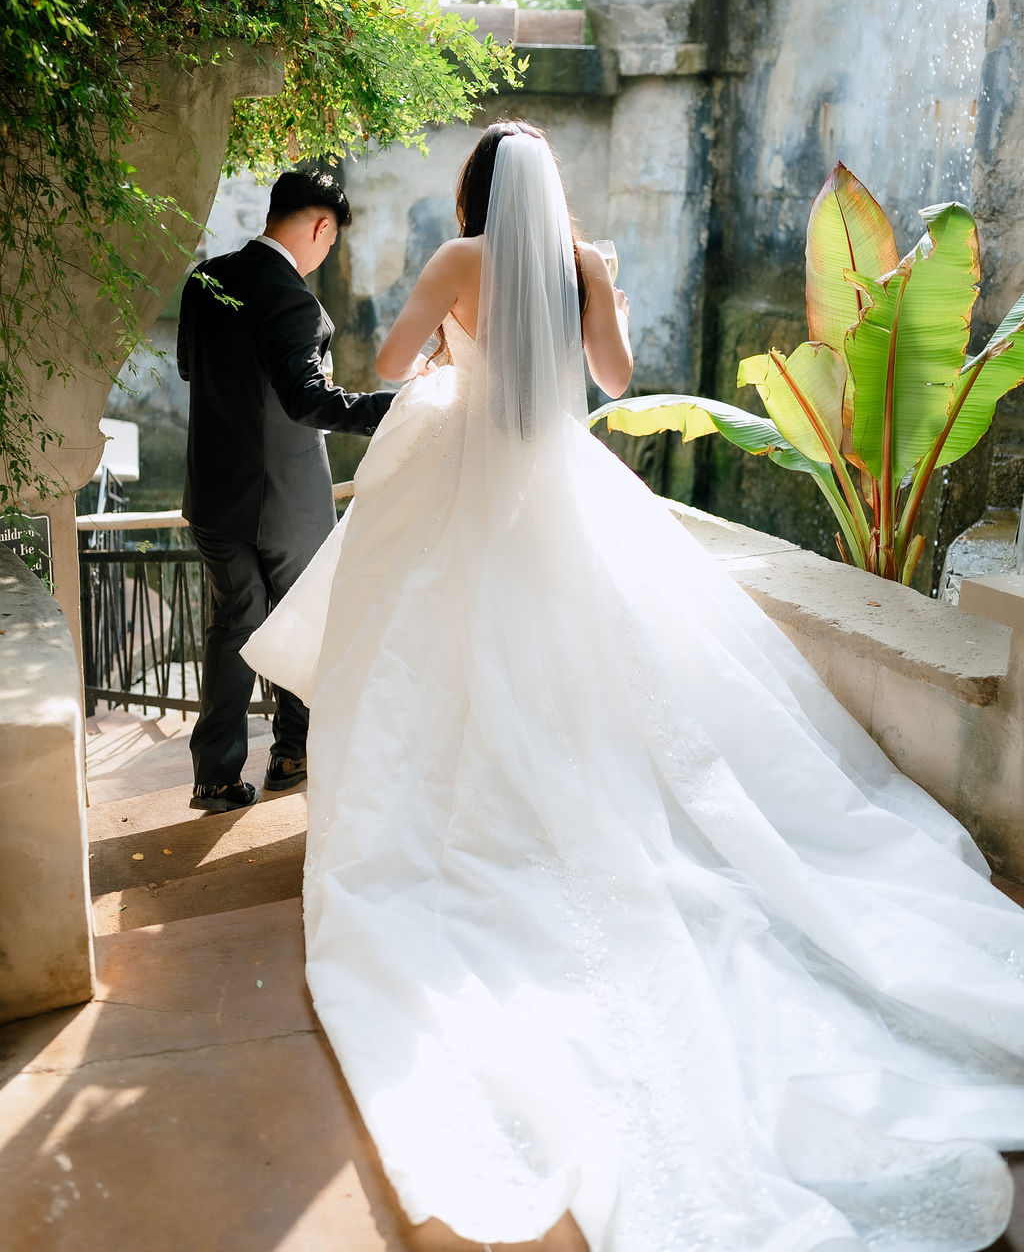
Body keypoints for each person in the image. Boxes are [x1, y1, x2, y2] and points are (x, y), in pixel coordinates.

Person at [242, 123, 1024, 1251]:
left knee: (440, 658)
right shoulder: (581, 264)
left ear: (475, 192)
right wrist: (595, 292)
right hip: (560, 485)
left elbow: (393, 366)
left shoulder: (457, 261)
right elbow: (613, 380)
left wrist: (452, 357)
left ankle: (469, 816)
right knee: (583, 665)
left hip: (464, 481)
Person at [177, 168, 395, 813]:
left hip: (214, 491)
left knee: (233, 624)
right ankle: (291, 754)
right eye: (332, 240)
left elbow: (190, 367)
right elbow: (307, 400)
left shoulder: (206, 280)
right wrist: (396, 408)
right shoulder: (293, 300)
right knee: (305, 619)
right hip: (288, 497)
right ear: (322, 227)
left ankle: (215, 778)